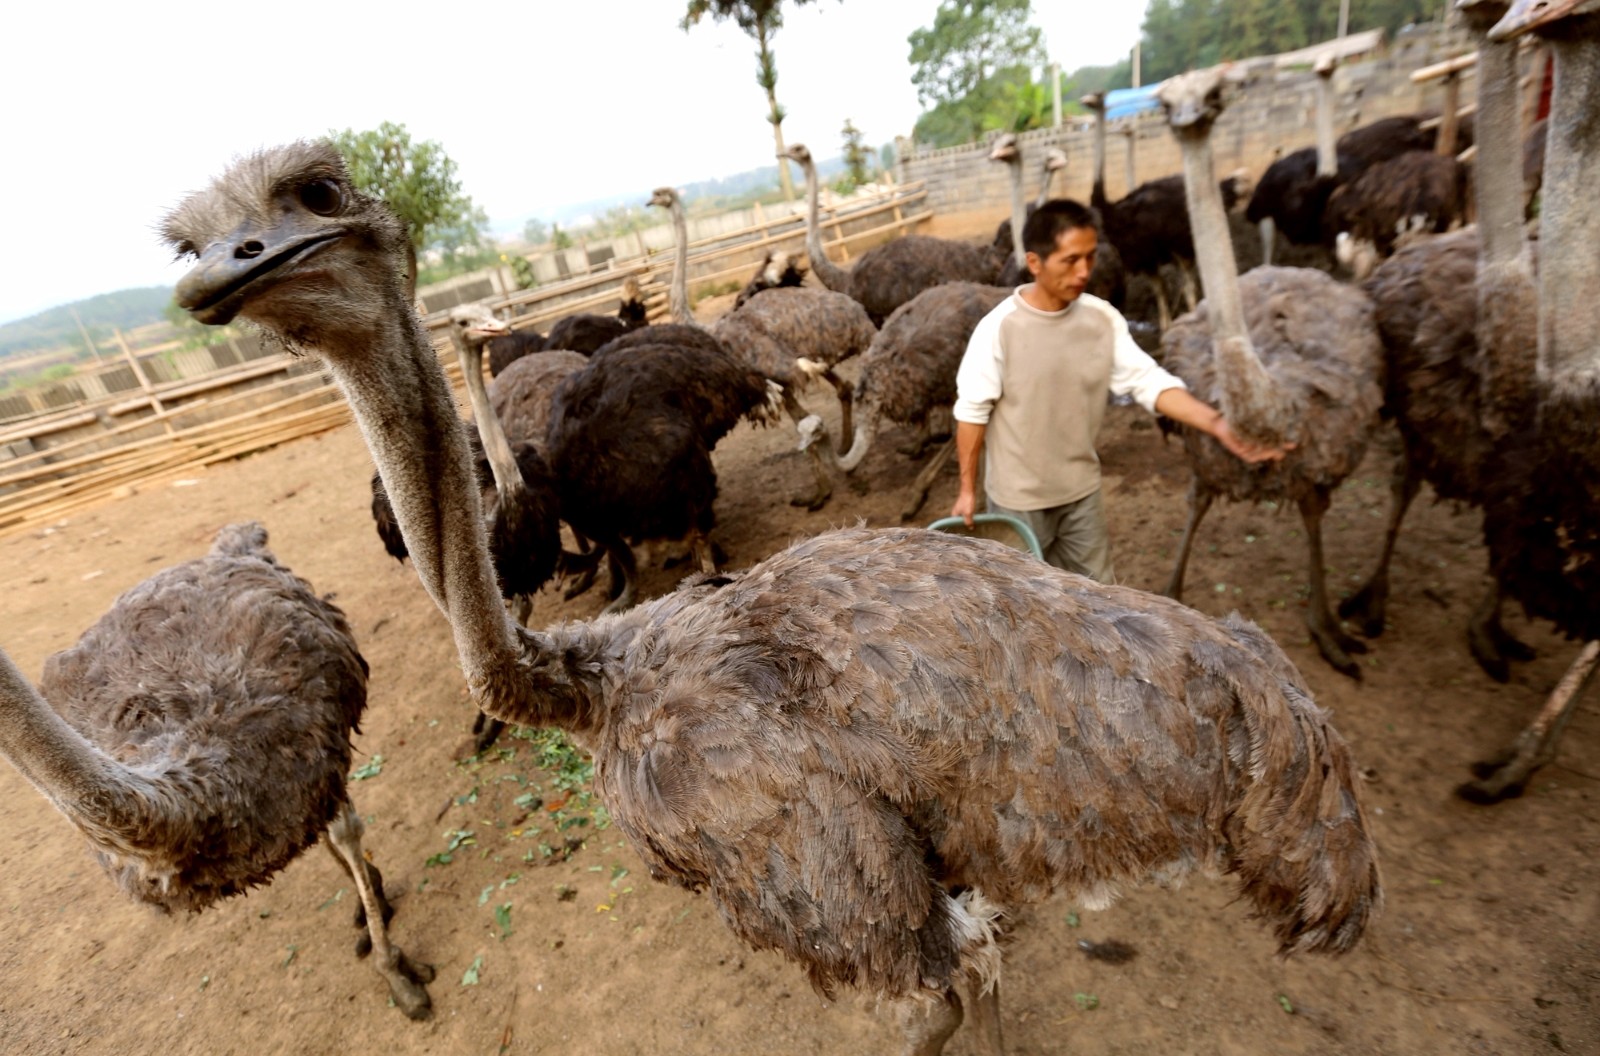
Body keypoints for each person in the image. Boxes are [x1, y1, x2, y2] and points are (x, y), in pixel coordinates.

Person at [950, 199, 1288, 582]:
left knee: (1101, 600)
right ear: (1035, 263)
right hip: (1018, 501)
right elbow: (972, 412)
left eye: (1090, 258)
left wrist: (1217, 424)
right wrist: (967, 489)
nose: (1083, 272)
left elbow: (1149, 382)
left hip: (1081, 492)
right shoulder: (999, 328)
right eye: (1070, 260)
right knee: (1027, 603)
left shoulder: (1101, 319)